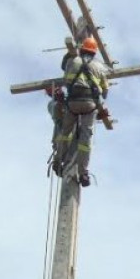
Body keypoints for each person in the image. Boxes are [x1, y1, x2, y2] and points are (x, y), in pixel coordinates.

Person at [52, 37, 110, 186]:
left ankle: (59, 161)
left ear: (82, 49)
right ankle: (83, 173)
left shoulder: (73, 61)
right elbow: (105, 91)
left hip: (72, 103)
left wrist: (69, 54)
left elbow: (64, 68)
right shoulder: (100, 66)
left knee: (65, 134)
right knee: (85, 140)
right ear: (94, 52)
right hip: (89, 105)